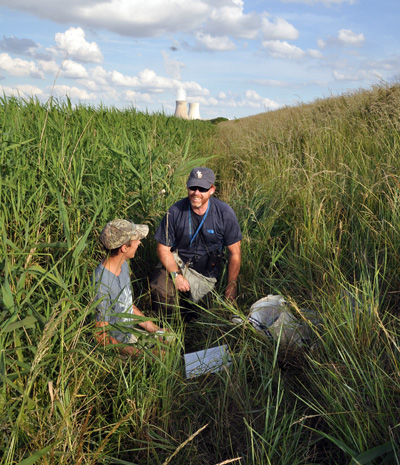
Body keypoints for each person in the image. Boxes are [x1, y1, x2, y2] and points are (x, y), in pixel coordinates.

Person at [150, 167, 242, 317]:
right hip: (179, 264)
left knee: (207, 314)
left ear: (212, 190)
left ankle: (190, 318)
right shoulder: (175, 212)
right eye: (193, 187)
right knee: (162, 289)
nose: (196, 193)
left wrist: (231, 287)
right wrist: (176, 276)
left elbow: (235, 253)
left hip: (207, 274)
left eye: (202, 188)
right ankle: (167, 325)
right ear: (187, 186)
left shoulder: (224, 213)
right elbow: (163, 249)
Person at [94, 219, 162, 357]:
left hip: (131, 333)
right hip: (118, 348)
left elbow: (126, 304)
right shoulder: (101, 283)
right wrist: (147, 355)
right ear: (124, 248)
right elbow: (101, 337)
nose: (139, 243)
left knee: (170, 341)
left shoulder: (123, 264)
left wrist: (154, 329)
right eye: (136, 240)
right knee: (164, 360)